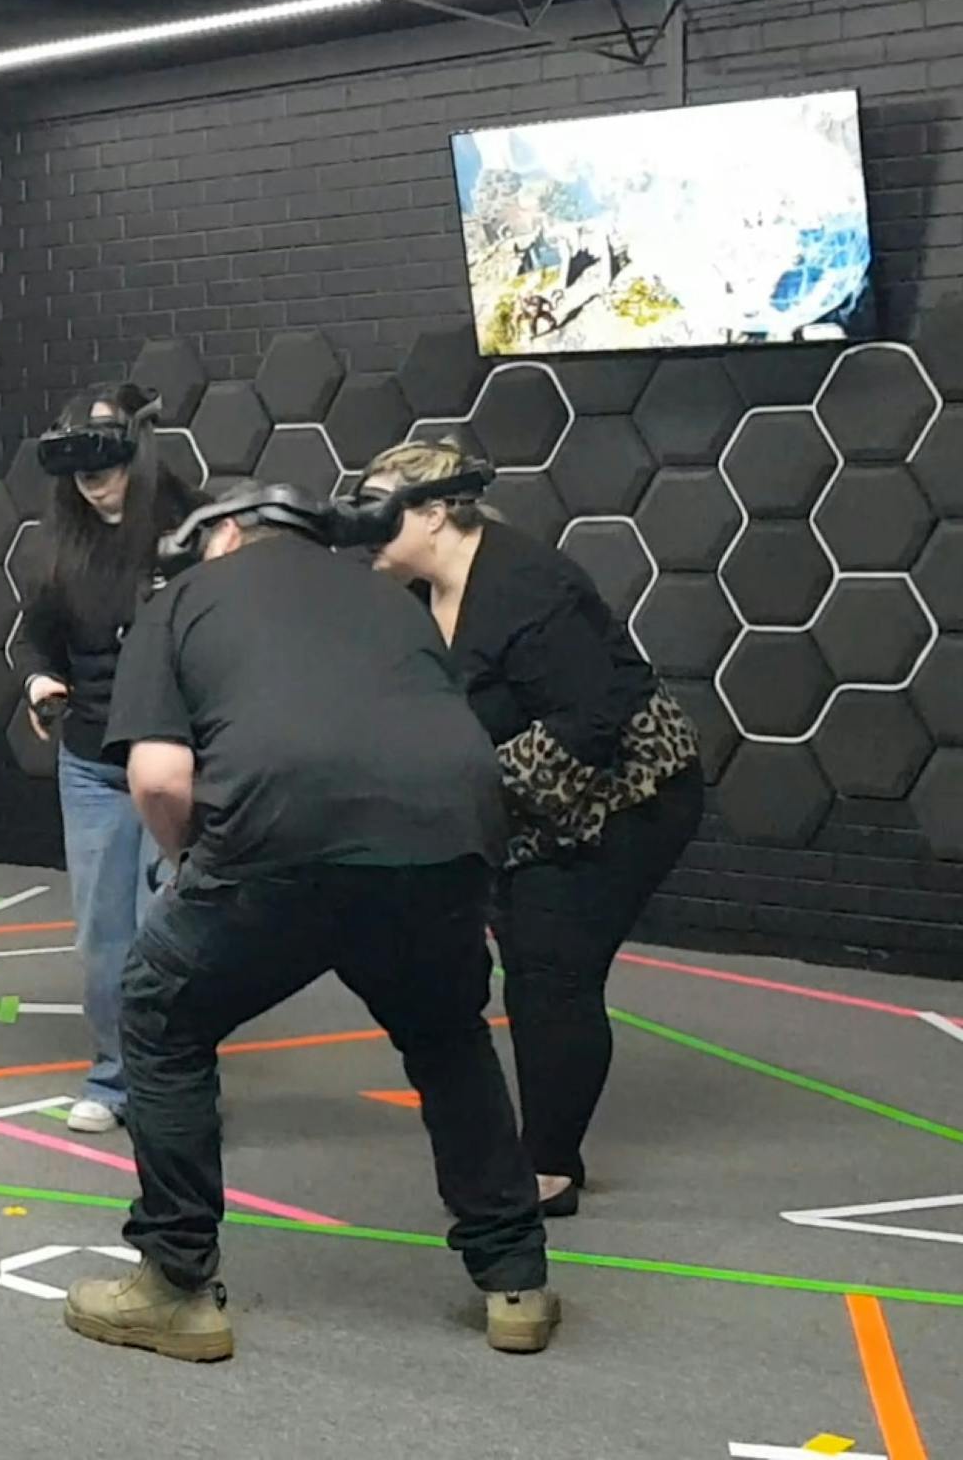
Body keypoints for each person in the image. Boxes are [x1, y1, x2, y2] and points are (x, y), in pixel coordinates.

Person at [62, 481, 556, 1362]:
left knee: (161, 1011)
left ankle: (175, 1284)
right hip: (449, 834)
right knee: (448, 1038)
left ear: (223, 536)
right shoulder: (390, 599)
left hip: (280, 837)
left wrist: (185, 864)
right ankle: (515, 1281)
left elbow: (160, 779)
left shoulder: (180, 600)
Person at [357, 441, 703, 1218]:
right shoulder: (417, 595)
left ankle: (550, 1167)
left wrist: (460, 788)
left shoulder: (529, 586)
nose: (362, 529)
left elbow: (592, 723)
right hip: (531, 807)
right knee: (526, 959)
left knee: (552, 971)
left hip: (627, 799)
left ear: (434, 513)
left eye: (377, 511)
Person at [14, 383, 201, 1134]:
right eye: (79, 471)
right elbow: (37, 641)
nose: (93, 483)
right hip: (92, 762)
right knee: (104, 935)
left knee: (172, 928)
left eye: (105, 465)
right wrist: (39, 682)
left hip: (180, 760)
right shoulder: (59, 546)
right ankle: (115, 1077)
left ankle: (177, 1080)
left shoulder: (194, 531)